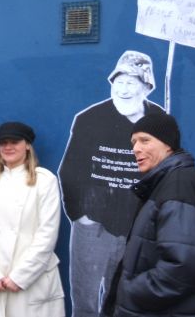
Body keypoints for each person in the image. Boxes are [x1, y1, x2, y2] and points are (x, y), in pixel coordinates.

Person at [58, 50, 165, 316]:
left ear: (146, 87)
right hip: (93, 227)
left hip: (137, 227)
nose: (124, 89)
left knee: (130, 301)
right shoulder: (89, 118)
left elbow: (167, 171)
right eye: (119, 82)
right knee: (85, 301)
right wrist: (80, 216)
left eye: (131, 83)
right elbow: (69, 170)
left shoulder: (160, 121)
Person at [102, 113, 195, 317]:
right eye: (133, 142)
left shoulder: (178, 187)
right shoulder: (172, 183)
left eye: (145, 140)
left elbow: (183, 265)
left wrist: (130, 291)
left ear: (168, 144)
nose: (135, 149)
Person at [0, 121, 65, 317]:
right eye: (3, 142)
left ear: (27, 145)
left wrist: (20, 277)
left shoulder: (45, 180)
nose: (8, 147)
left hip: (33, 281)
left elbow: (47, 235)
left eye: (14, 142)